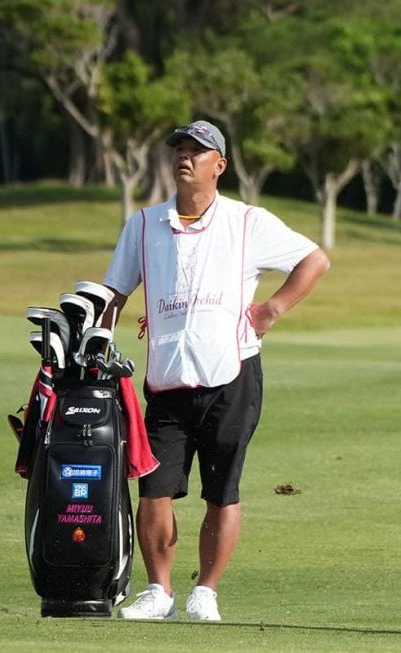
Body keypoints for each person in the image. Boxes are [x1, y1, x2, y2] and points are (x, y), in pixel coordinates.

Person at [102, 119, 330, 621]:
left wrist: (272, 310)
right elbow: (115, 294)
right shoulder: (143, 225)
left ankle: (205, 590)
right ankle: (159, 591)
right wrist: (98, 338)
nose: (185, 157)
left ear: (219, 165)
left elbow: (314, 260)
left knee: (221, 489)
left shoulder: (248, 222)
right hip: (167, 379)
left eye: (197, 151)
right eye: (179, 149)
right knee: (154, 488)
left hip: (233, 375)